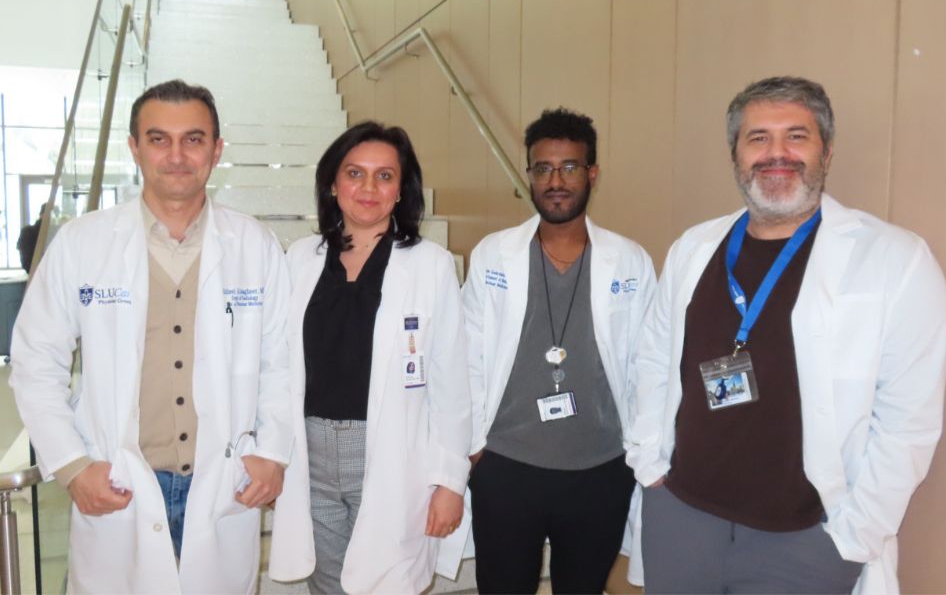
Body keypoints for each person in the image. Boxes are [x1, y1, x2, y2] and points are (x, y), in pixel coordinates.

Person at [625, 76, 946, 593]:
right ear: (735, 154)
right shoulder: (694, 248)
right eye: (758, 138)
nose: (777, 154)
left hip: (806, 538)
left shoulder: (896, 259)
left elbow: (908, 423)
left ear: (826, 150)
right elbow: (652, 362)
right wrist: (650, 468)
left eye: (796, 136)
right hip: (683, 517)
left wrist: (853, 536)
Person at [9, 79, 293, 593]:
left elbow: (282, 361)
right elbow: (35, 362)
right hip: (120, 482)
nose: (177, 155)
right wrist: (73, 465)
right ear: (134, 148)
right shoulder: (83, 243)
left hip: (225, 479)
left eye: (194, 139)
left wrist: (272, 452)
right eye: (159, 139)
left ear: (217, 149)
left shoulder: (254, 244)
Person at [270, 121, 472, 594]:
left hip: (392, 452)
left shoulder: (432, 266)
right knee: (327, 583)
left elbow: (452, 383)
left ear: (402, 190)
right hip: (311, 453)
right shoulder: (299, 259)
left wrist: (449, 482)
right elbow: (277, 365)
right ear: (333, 184)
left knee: (390, 583)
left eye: (384, 176)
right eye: (354, 173)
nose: (368, 188)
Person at [462, 108, 656, 593]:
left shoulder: (628, 259)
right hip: (506, 467)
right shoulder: (494, 253)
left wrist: (640, 450)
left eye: (569, 167)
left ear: (592, 174)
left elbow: (647, 363)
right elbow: (468, 354)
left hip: (600, 470)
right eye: (543, 168)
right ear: (529, 174)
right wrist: (472, 449)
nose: (556, 180)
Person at [16, 204, 45, 273]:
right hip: (36, 271)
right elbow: (27, 262)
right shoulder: (29, 232)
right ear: (42, 215)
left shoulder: (27, 231)